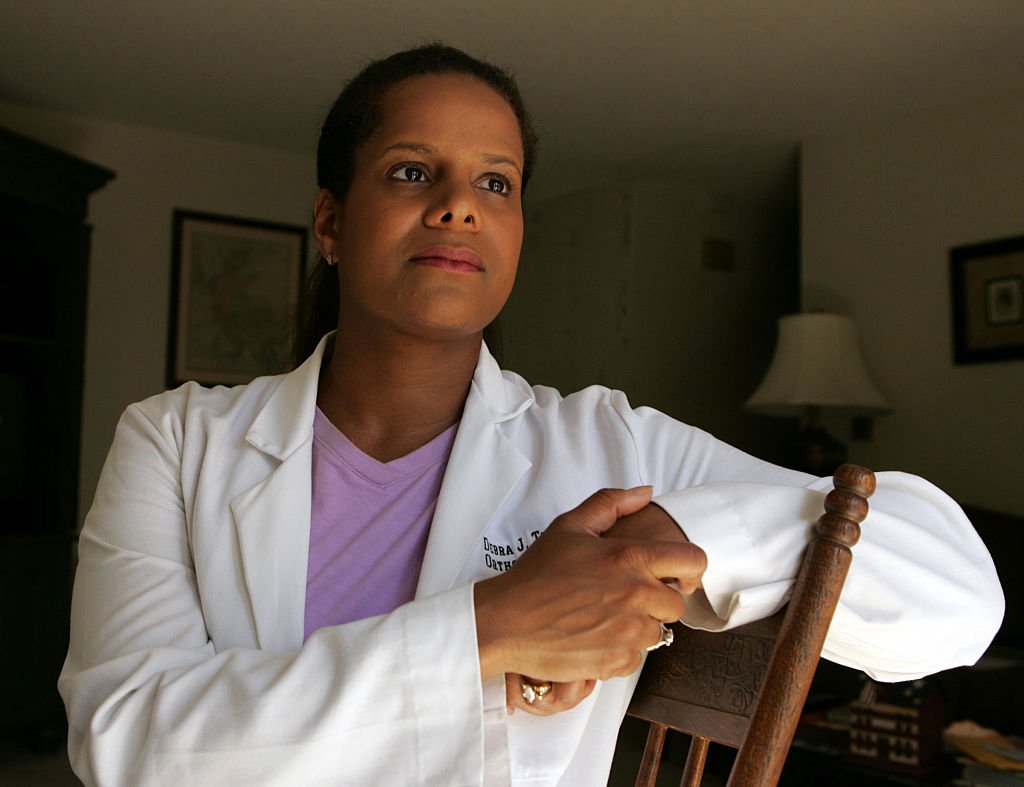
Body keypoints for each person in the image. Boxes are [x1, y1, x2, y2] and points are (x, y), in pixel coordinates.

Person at [59, 44, 1003, 786]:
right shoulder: (176, 442)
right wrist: (490, 627)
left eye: (496, 183)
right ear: (331, 222)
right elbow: (128, 744)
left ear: (516, 234)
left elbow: (959, 604)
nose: (460, 206)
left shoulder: (610, 451)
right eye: (410, 172)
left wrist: (674, 535)